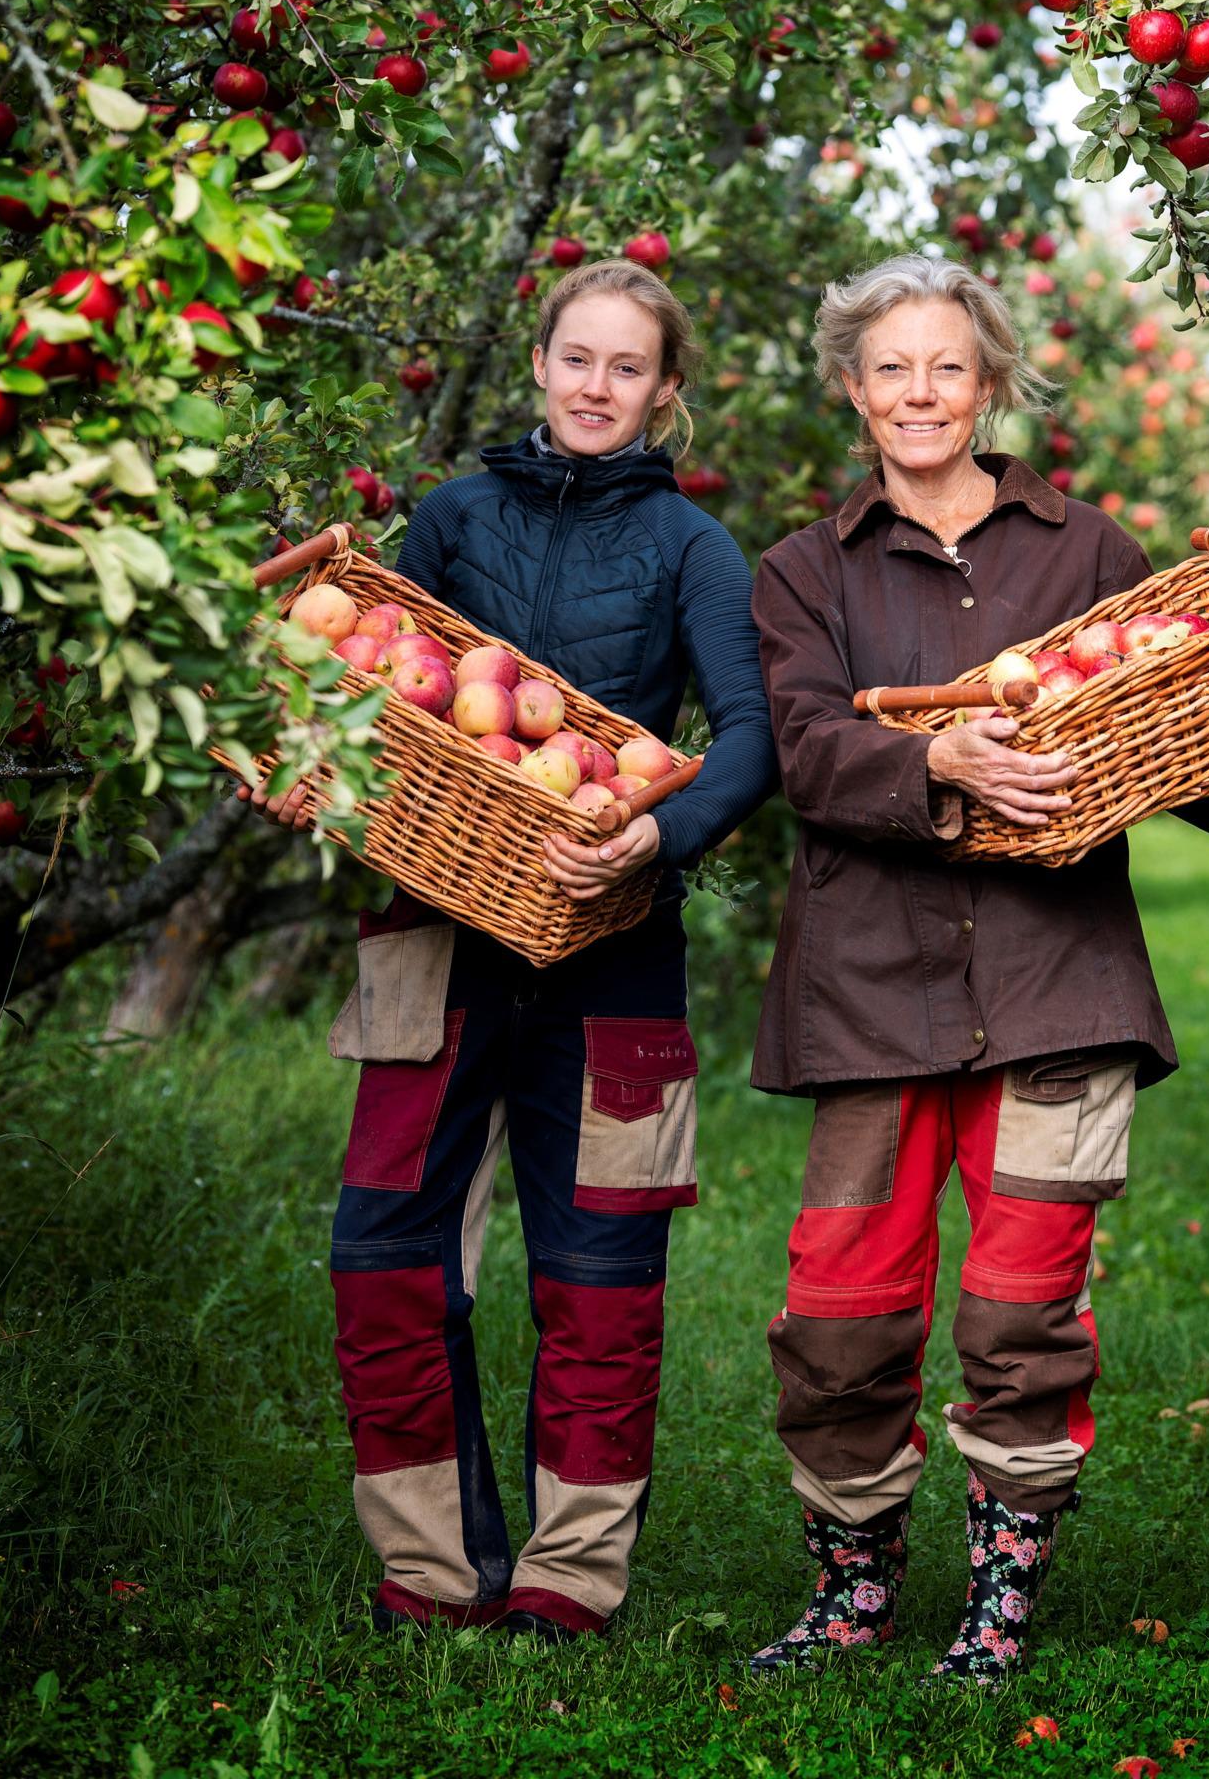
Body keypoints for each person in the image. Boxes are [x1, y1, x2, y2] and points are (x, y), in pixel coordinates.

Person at [746, 253, 1209, 1684]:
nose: (920, 393)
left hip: (1056, 984)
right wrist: (927, 759)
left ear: (990, 384)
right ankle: (852, 1594)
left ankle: (999, 1601)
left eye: (946, 367)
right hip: (868, 993)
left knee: (1022, 1308)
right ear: (852, 389)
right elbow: (801, 749)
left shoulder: (1087, 553)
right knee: (843, 1311)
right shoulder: (802, 571)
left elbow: (1174, 744)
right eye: (890, 369)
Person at [242, 259, 777, 1640]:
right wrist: (304, 766)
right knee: (384, 1254)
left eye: (626, 367)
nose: (596, 386)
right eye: (575, 358)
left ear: (665, 391)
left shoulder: (692, 549)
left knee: (600, 1273)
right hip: (433, 933)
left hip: (613, 951)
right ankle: (430, 1563)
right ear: (538, 364)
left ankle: (569, 1575)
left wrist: (652, 841)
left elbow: (750, 739)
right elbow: (370, 686)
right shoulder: (454, 516)